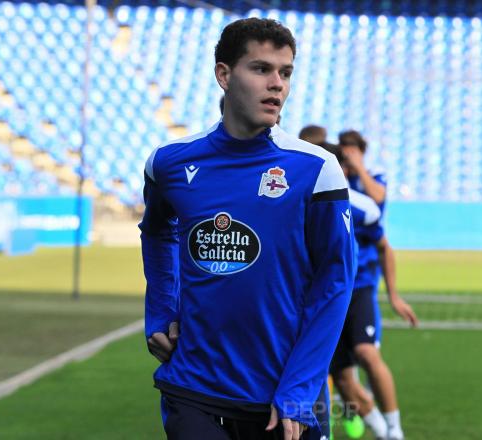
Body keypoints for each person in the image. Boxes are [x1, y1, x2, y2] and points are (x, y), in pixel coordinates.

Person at [139, 18, 355, 440]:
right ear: (224, 75)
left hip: (285, 395)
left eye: (286, 73)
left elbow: (335, 280)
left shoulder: (316, 169)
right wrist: (162, 311)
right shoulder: (169, 163)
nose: (277, 84)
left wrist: (299, 386)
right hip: (194, 386)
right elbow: (157, 232)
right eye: (261, 69)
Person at [332, 133, 417, 440]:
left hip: (361, 286)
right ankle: (372, 426)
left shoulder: (367, 188)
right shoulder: (328, 184)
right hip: (330, 292)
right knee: (340, 376)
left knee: (367, 354)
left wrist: (393, 295)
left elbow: (378, 203)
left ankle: (394, 428)